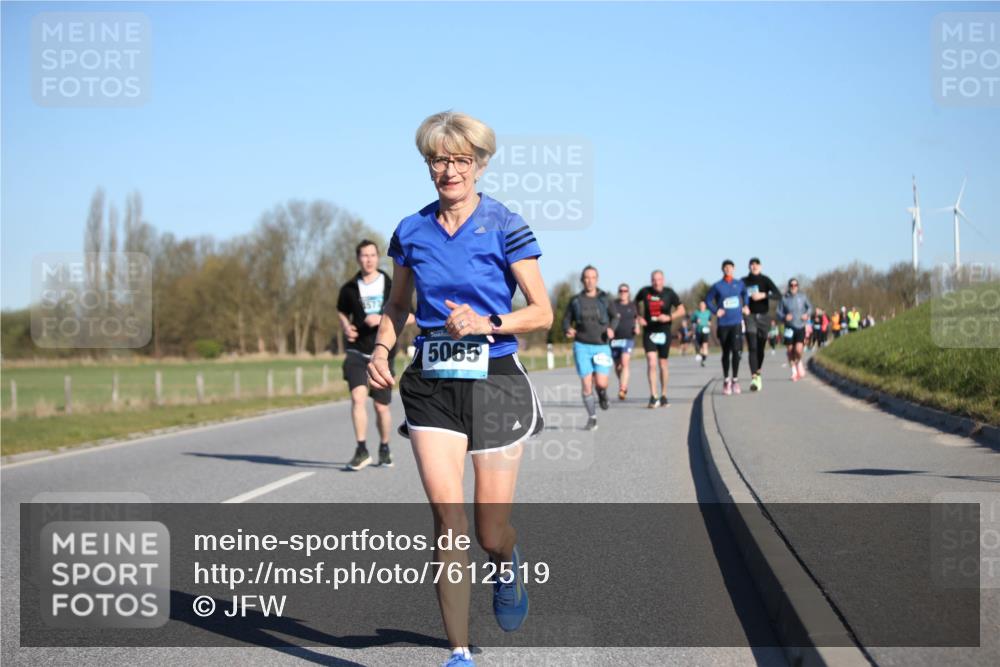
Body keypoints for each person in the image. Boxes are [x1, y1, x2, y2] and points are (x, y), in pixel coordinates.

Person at [368, 111, 552, 667]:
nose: (449, 170)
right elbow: (397, 304)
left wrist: (487, 321)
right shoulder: (411, 230)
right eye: (438, 160)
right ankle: (459, 652)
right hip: (431, 382)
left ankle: (506, 560)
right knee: (449, 522)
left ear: (480, 164)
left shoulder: (504, 224)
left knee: (489, 532)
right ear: (428, 165)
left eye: (461, 160)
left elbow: (541, 311)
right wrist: (382, 349)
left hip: (494, 379)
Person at [337, 239, 414, 470]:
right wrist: (345, 327)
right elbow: (341, 311)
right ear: (358, 258)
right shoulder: (349, 288)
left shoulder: (391, 285)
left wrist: (382, 319)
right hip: (356, 350)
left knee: (381, 406)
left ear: (378, 257)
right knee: (357, 398)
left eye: (372, 255)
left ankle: (384, 447)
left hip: (382, 353)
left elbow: (412, 316)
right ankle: (361, 450)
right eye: (364, 255)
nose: (368, 260)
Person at [564, 266, 619, 430]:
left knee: (601, 383)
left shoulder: (604, 298)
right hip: (581, 345)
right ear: (582, 280)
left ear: (597, 279)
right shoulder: (575, 300)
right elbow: (566, 320)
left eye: (593, 277)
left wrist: (612, 329)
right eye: (587, 277)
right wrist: (568, 329)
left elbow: (615, 317)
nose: (590, 281)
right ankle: (592, 417)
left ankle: (602, 393)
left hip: (601, 345)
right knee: (587, 384)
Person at [635, 270, 685, 408]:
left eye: (659, 279)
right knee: (651, 363)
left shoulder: (669, 293)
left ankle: (663, 395)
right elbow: (634, 303)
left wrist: (669, 317)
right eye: (654, 280)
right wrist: (638, 317)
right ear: (651, 280)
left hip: (664, 331)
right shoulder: (645, 291)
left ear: (663, 280)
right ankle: (653, 396)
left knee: (663, 364)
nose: (656, 282)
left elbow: (682, 310)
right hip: (649, 331)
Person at [705, 260, 750, 395]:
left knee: (736, 351)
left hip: (736, 322)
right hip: (723, 323)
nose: (728, 269)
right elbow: (708, 300)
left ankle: (735, 379)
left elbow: (745, 294)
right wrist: (715, 310)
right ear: (722, 270)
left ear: (734, 269)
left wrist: (745, 305)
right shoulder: (718, 286)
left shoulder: (739, 284)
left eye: (730, 267)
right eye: (725, 268)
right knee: (726, 352)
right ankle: (726, 380)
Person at [741, 257, 781, 392]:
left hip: (764, 317)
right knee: (752, 346)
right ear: (749, 267)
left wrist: (764, 295)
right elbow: (737, 296)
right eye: (752, 264)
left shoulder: (765, 280)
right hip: (750, 316)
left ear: (760, 266)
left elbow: (778, 295)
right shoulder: (744, 281)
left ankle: (758, 372)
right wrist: (743, 307)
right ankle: (754, 377)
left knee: (760, 348)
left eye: (756, 264)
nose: (754, 266)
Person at [777, 278, 813, 381]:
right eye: (791, 285)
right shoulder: (784, 298)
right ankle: (794, 372)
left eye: (795, 285)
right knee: (789, 350)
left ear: (798, 286)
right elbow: (778, 312)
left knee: (798, 349)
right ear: (789, 286)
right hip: (789, 327)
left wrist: (806, 315)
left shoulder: (803, 297)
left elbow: (810, 307)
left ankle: (799, 361)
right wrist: (784, 317)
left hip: (800, 326)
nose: (793, 287)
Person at [609, 282, 640, 400]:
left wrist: (637, 327)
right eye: (621, 291)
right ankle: (622, 384)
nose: (623, 293)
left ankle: (622, 388)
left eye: (625, 291)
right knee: (618, 366)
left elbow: (637, 318)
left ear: (628, 293)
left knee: (625, 362)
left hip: (628, 338)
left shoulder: (633, 305)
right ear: (618, 292)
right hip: (615, 339)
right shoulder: (613, 305)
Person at [691, 300, 712, 367]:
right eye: (700, 305)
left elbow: (710, 319)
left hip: (705, 330)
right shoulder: (696, 313)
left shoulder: (708, 312)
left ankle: (703, 360)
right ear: (699, 306)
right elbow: (692, 320)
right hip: (698, 331)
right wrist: (696, 321)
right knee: (699, 347)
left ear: (705, 306)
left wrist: (709, 322)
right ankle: (701, 356)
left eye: (703, 305)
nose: (702, 306)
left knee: (705, 345)